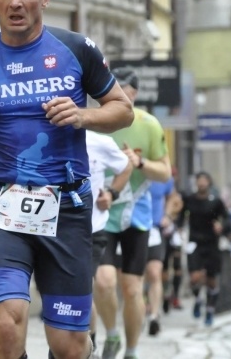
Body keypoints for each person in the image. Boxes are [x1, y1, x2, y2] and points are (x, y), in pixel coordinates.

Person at [0, 0, 134, 359]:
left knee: (68, 346)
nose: (16, 3)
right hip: (5, 205)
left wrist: (82, 115)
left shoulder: (75, 48)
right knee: (7, 326)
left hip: (67, 206)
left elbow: (122, 110)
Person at [93, 67, 172, 359]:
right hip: (102, 213)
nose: (112, 94)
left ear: (134, 94)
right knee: (104, 281)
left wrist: (140, 163)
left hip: (136, 215)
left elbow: (164, 173)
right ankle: (112, 334)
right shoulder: (96, 121)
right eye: (109, 87)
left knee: (132, 288)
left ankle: (132, 349)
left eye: (120, 89)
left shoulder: (148, 124)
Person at [85, 129, 133, 351]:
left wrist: (112, 193)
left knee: (89, 287)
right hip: (53, 229)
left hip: (93, 228)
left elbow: (126, 166)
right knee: (64, 294)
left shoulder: (99, 142)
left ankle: (95, 344)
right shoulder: (46, 135)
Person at [178, 171, 229, 327]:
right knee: (195, 277)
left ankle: (210, 309)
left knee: (211, 280)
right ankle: (198, 299)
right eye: (199, 180)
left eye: (204, 180)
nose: (201, 183)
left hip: (212, 243)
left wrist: (221, 226)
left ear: (209, 183)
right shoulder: (189, 200)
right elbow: (181, 216)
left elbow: (227, 218)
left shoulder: (216, 202)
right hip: (194, 242)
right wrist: (179, 228)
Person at [143, 177, 175, 337]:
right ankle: (141, 306)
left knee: (155, 272)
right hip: (132, 229)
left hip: (155, 229)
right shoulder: (130, 168)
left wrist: (167, 215)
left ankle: (154, 316)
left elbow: (173, 198)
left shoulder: (163, 175)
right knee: (136, 276)